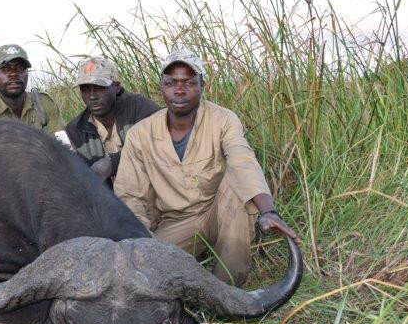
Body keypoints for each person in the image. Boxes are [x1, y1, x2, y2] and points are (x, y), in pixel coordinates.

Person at [114, 50, 299, 285]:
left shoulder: (223, 119)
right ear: (161, 87)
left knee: (236, 186)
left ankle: (228, 288)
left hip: (219, 212)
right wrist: (142, 244)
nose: (179, 90)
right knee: (143, 271)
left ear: (203, 85)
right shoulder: (140, 134)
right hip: (175, 221)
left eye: (189, 82)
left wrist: (268, 211)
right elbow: (130, 195)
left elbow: (242, 161)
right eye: (171, 83)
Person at [64, 56, 159, 182]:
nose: (92, 96)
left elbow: (162, 148)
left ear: (116, 87)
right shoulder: (75, 130)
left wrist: (113, 163)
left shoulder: (141, 109)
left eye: (99, 87)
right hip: (107, 200)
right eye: (85, 89)